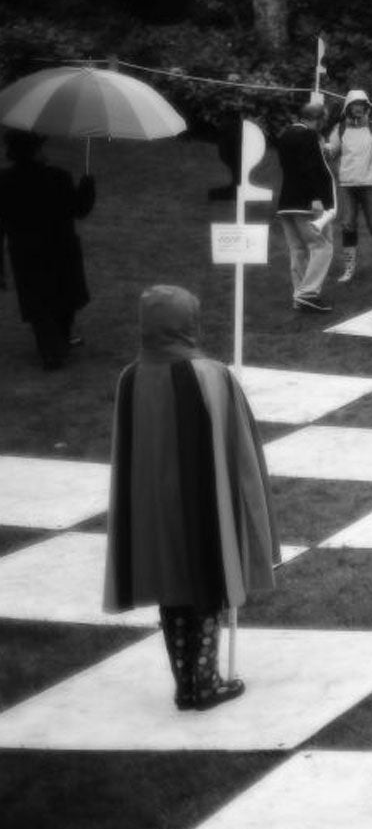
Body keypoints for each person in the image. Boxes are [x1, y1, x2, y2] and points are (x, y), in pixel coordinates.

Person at [104, 285, 279, 711]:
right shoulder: (210, 374)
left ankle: (187, 681)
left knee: (171, 585)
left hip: (150, 504)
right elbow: (238, 444)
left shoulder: (130, 377)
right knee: (204, 577)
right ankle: (204, 683)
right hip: (202, 494)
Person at [0, 130, 94, 368]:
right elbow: (79, 208)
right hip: (60, 249)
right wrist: (87, 186)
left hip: (26, 253)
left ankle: (54, 347)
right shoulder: (57, 177)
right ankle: (54, 348)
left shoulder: (5, 181)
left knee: (38, 302)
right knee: (63, 298)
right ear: (34, 152)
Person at [322, 90, 372, 285]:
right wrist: (324, 147)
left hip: (369, 183)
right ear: (348, 107)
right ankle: (349, 269)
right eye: (355, 104)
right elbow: (331, 151)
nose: (358, 107)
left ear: (366, 106)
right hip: (347, 184)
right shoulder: (340, 128)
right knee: (347, 225)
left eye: (361, 104)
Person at [275, 96, 336, 314]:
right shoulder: (309, 135)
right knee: (322, 246)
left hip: (286, 202)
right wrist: (321, 199)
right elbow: (314, 169)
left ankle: (299, 295)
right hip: (306, 201)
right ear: (318, 120)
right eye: (324, 121)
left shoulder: (285, 134)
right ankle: (308, 294)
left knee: (297, 249)